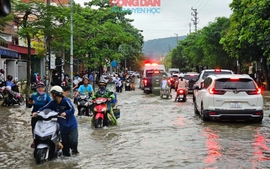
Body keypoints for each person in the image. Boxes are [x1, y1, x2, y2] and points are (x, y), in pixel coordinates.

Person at [33, 85, 79, 156]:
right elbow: (45, 107)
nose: (51, 95)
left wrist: (65, 113)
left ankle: (75, 152)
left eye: (52, 94)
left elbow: (72, 109)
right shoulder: (53, 103)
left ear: (55, 94)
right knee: (64, 144)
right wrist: (37, 112)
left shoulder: (66, 101)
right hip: (62, 126)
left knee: (73, 141)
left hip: (71, 125)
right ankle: (66, 158)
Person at [27, 82, 52, 148]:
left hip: (44, 116)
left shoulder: (47, 96)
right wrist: (30, 103)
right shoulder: (33, 96)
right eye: (39, 88)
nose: (41, 89)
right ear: (37, 88)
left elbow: (51, 105)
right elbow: (29, 106)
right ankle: (35, 141)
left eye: (42, 88)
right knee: (34, 129)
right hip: (35, 115)